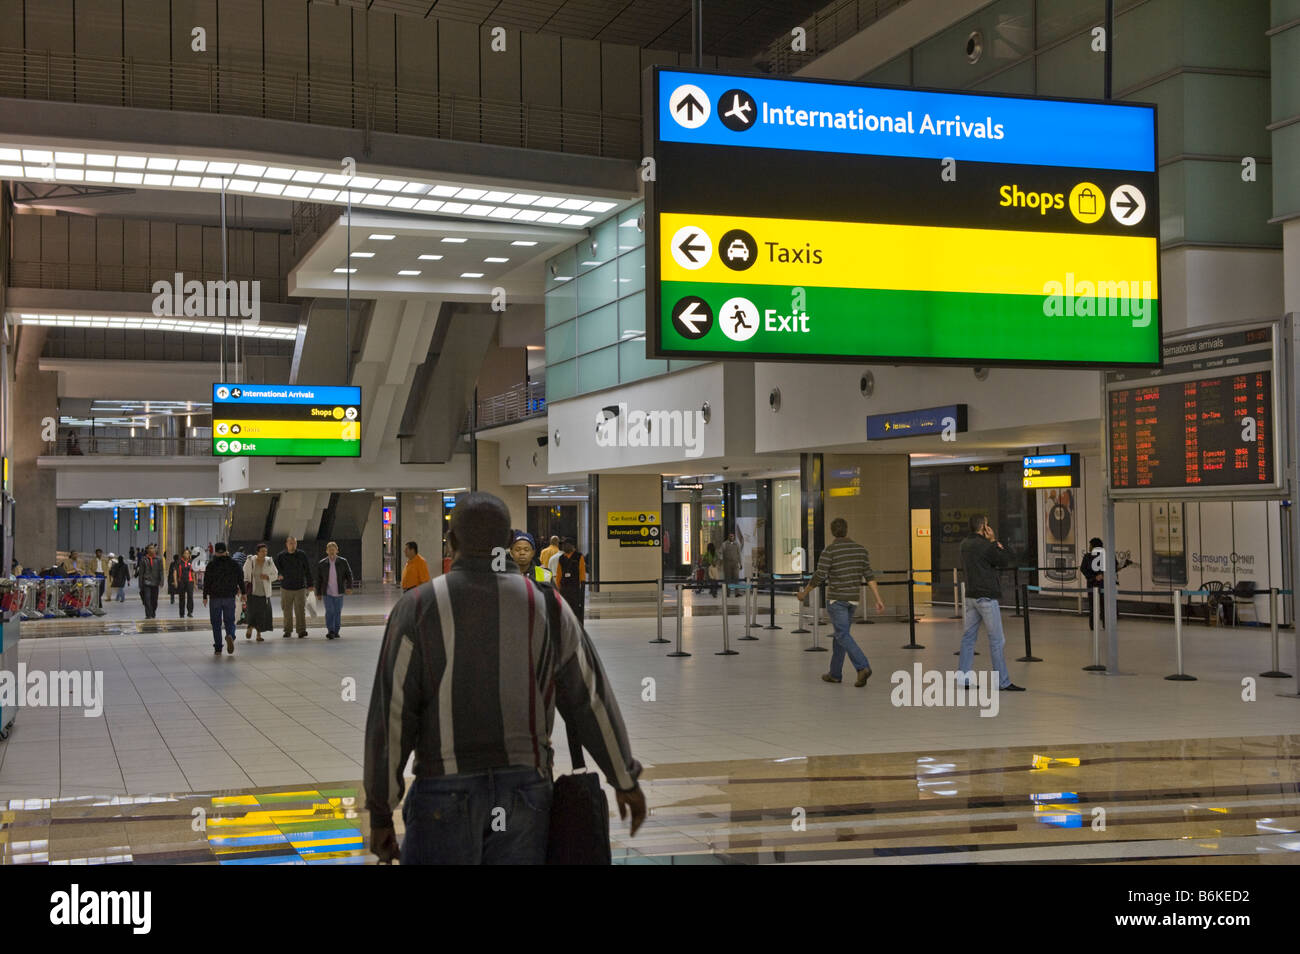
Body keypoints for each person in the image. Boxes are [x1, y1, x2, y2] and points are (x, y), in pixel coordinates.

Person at [363, 491, 645, 865]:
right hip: (525, 792)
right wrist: (623, 777)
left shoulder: (417, 608)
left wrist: (381, 811)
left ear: (452, 541)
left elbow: (392, 714)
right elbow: (588, 698)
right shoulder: (546, 605)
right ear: (508, 542)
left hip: (442, 794)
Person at [797, 518, 884, 687]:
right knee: (840, 635)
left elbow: (819, 575)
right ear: (846, 530)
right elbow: (869, 576)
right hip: (853, 599)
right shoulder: (861, 550)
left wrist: (804, 593)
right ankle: (835, 674)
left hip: (837, 600)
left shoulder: (830, 551)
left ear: (832, 531)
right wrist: (878, 599)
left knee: (842, 635)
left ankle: (863, 666)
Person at [960, 515, 1024, 692]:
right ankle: (1002, 681)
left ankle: (963, 678)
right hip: (986, 597)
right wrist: (994, 540)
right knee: (997, 640)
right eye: (987, 525)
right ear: (983, 528)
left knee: (968, 638)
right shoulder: (986, 546)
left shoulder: (964, 544)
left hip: (971, 596)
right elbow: (1005, 560)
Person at [202, 542, 242, 655]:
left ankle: (218, 648)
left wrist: (205, 596)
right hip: (229, 597)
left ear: (215, 551)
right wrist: (243, 592)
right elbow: (240, 577)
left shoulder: (211, 565)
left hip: (215, 598)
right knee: (230, 621)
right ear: (226, 551)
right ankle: (230, 635)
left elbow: (207, 582)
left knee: (216, 623)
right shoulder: (234, 564)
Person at [314, 541, 352, 639]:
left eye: (333, 549)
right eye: (329, 549)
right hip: (327, 592)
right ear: (326, 551)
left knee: (337, 611)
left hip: (339, 592)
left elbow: (349, 575)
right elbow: (318, 580)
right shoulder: (322, 563)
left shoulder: (343, 561)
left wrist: (349, 587)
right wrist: (318, 593)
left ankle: (336, 630)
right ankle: (330, 630)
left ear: (337, 551)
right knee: (330, 611)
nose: (331, 551)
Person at [275, 536, 312, 638]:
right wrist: (278, 574)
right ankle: (287, 630)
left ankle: (301, 630)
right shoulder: (280, 556)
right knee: (286, 610)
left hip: (300, 587)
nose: (293, 545)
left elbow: (307, 569)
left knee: (300, 610)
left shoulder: (302, 555)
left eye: (294, 543)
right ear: (286, 544)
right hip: (286, 588)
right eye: (290, 543)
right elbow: (276, 569)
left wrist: (310, 584)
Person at [242, 543, 277, 642]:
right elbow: (244, 573)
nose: (264, 553)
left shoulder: (269, 561)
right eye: (262, 551)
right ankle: (249, 628)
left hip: (264, 593)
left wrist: (268, 577)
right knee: (252, 613)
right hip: (252, 592)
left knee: (262, 615)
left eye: (266, 551)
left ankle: (258, 634)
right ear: (257, 552)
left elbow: (275, 574)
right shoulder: (250, 560)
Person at [555, 537, 587, 625]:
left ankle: (576, 626)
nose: (564, 547)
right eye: (563, 545)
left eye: (566, 545)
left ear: (572, 546)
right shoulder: (561, 558)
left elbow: (582, 573)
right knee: (564, 610)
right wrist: (558, 588)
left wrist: (582, 587)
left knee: (575, 609)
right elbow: (559, 574)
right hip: (564, 589)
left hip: (575, 589)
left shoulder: (579, 557)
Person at [137, 543, 162, 619]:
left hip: (155, 582)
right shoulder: (143, 559)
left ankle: (153, 611)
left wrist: (162, 581)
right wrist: (140, 583)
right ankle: (148, 614)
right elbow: (141, 573)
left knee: (154, 600)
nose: (152, 549)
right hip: (146, 582)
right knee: (147, 599)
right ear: (147, 550)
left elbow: (161, 571)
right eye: (150, 548)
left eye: (153, 548)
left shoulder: (158, 559)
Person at [175, 549, 196, 618]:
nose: (186, 555)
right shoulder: (179, 562)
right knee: (182, 598)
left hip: (189, 581)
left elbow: (193, 572)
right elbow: (175, 572)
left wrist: (194, 583)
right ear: (182, 554)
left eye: (188, 553)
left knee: (190, 597)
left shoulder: (191, 562)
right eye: (185, 553)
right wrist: (175, 581)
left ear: (189, 554)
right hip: (181, 582)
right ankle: (181, 613)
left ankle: (190, 612)